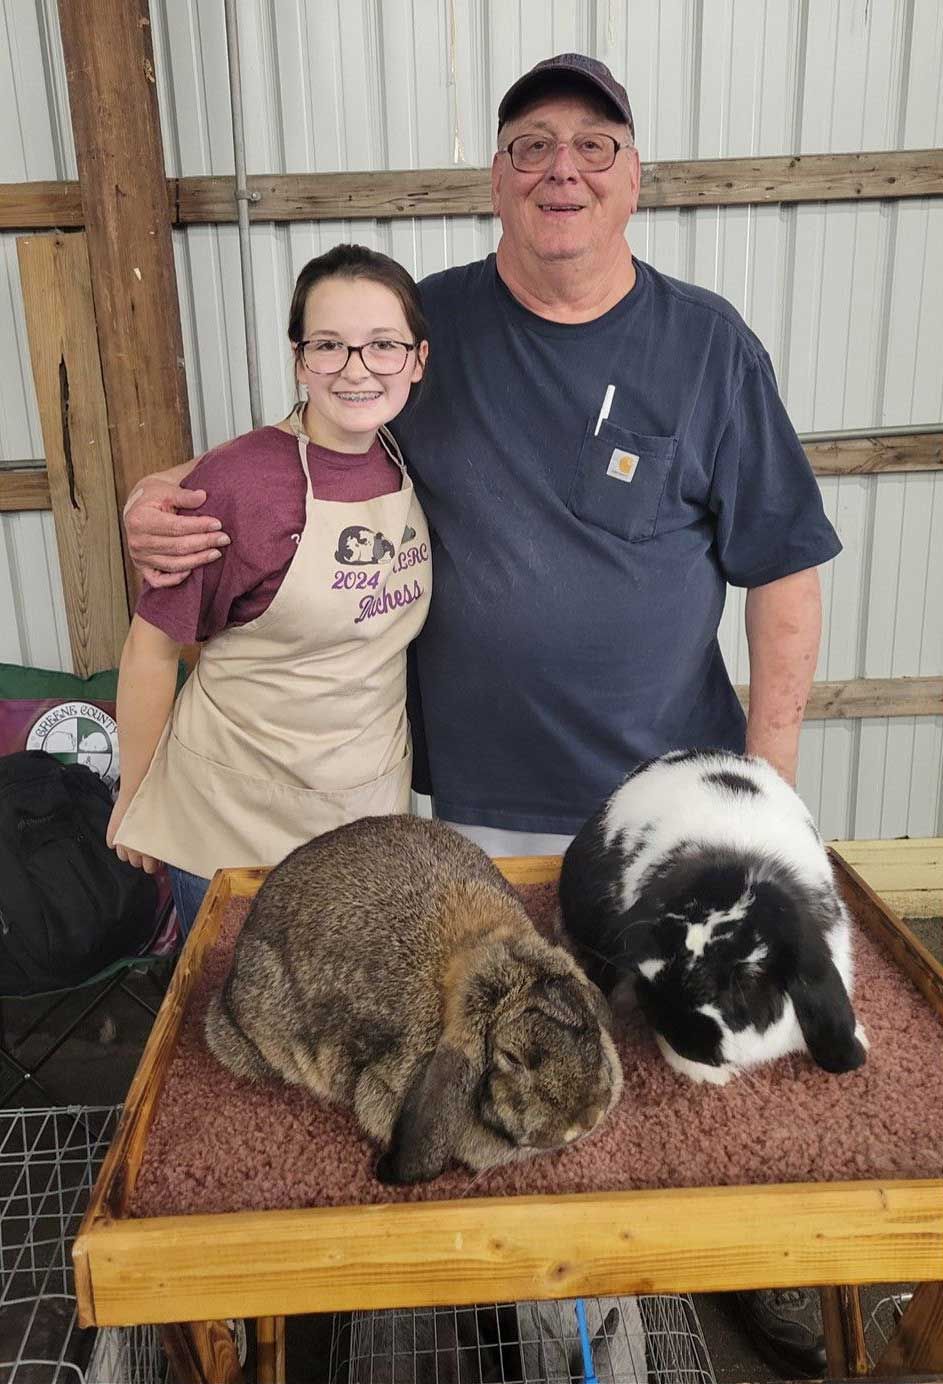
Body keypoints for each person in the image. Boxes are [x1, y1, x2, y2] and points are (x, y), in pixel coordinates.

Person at [122, 55, 838, 1376]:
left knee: (696, 1071)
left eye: (591, 144)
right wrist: (160, 501)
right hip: (461, 815)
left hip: (662, 803)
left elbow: (781, 571)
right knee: (515, 1073)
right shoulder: (424, 332)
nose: (560, 167)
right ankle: (517, 1305)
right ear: (493, 177)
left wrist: (767, 786)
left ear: (634, 176)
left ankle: (741, 1268)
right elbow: (292, 456)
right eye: (529, 145)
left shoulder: (705, 345)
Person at [108, 245, 431, 935]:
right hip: (233, 822)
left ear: (416, 360)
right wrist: (135, 799)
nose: (355, 370)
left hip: (364, 813)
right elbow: (150, 650)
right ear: (298, 359)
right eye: (327, 346)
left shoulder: (408, 456)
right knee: (240, 1023)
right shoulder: (238, 481)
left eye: (382, 346)